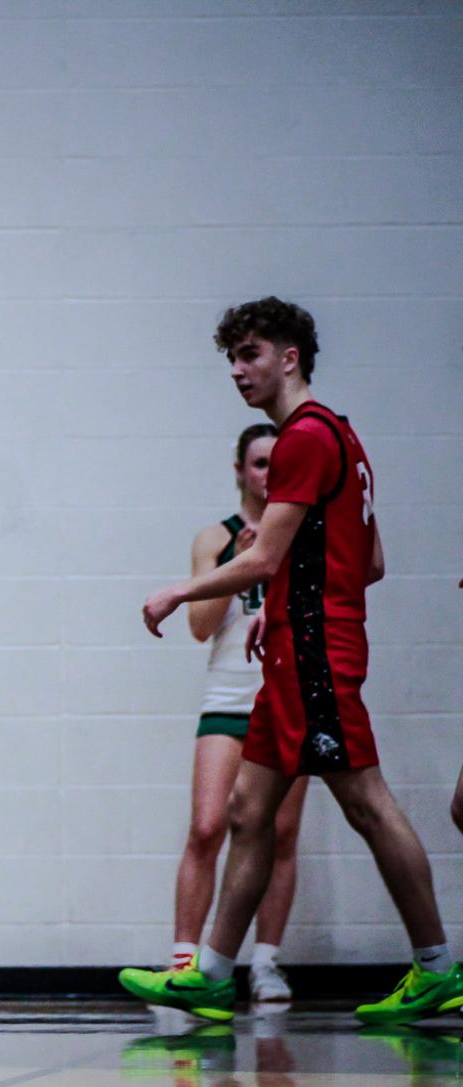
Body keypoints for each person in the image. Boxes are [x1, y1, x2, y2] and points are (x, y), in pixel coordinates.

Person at [124, 296, 460, 1023]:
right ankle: (211, 974)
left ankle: (436, 967)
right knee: (248, 812)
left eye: (250, 354)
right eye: (231, 359)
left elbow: (264, 556)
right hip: (295, 645)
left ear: (289, 356)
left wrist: (179, 590)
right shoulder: (342, 435)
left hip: (313, 654)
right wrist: (280, 613)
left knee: (367, 804)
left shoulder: (304, 439)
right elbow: (367, 561)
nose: (238, 371)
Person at [163, 424, 308, 1003]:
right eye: (258, 463)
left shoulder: (301, 530)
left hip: (287, 690)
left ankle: (266, 963)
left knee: (280, 832)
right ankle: (183, 959)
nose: (268, 474)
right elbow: (200, 628)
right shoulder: (214, 538)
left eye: (277, 463)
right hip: (228, 694)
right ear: (239, 470)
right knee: (206, 827)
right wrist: (240, 563)